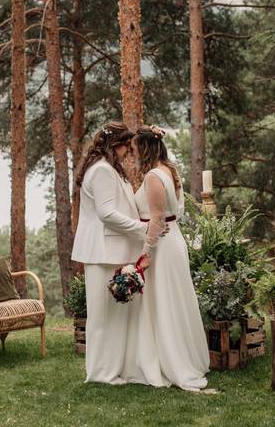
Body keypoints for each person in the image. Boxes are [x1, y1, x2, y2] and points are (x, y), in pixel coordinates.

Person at [126, 125, 210, 391]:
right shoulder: (171, 171)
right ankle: (175, 355)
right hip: (174, 239)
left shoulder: (153, 176)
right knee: (172, 300)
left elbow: (158, 217)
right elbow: (178, 211)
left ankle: (171, 361)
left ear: (146, 148)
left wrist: (145, 253)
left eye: (136, 148)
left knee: (163, 301)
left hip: (161, 245)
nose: (134, 153)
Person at [71, 122, 148, 384]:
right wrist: (142, 229)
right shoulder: (102, 171)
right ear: (114, 145)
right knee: (101, 316)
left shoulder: (111, 170)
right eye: (126, 144)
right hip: (102, 250)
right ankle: (100, 373)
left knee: (115, 316)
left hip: (114, 250)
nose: (129, 150)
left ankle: (114, 368)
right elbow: (106, 214)